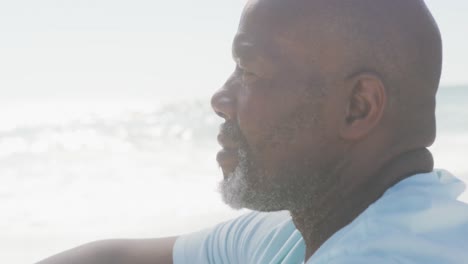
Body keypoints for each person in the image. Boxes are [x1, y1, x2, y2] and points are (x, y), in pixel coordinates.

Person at [37, 0, 468, 263]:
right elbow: (109, 259)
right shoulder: (304, 230)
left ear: (357, 107)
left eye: (249, 70)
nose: (220, 99)